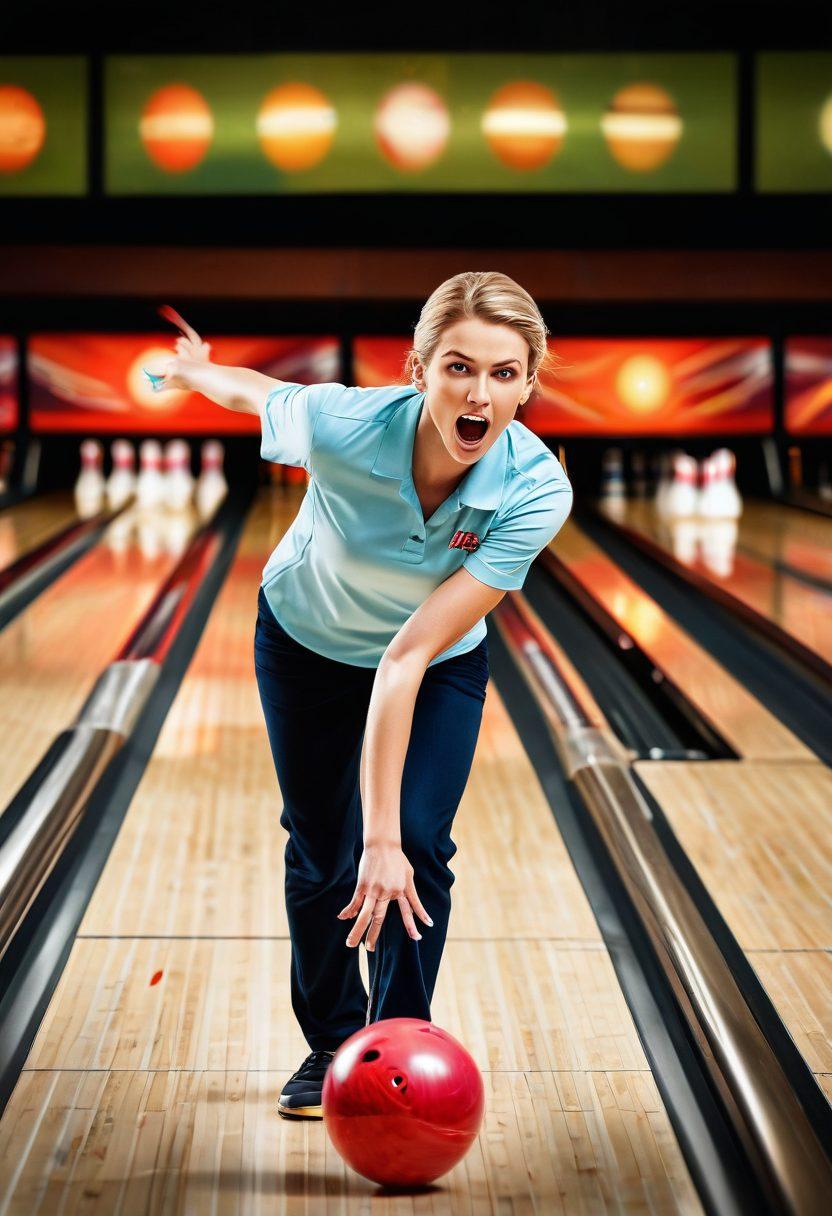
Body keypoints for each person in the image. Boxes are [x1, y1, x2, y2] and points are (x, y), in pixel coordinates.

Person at [149, 271, 573, 1119]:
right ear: (418, 369)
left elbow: (408, 657)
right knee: (323, 851)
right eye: (457, 367)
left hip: (434, 659)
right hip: (305, 642)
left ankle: (397, 1046)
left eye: (501, 374)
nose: (478, 392)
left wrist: (390, 841)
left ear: (528, 383)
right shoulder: (348, 425)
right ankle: (334, 1044)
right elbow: (262, 394)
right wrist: (197, 373)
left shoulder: (535, 489)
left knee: (415, 845)